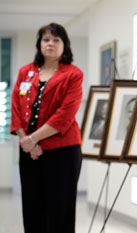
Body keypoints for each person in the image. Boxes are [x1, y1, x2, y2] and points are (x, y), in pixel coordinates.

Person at [10, 23, 83, 233]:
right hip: (29, 152)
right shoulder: (26, 72)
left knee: (59, 210)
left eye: (56, 40)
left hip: (62, 152)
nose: (50, 43)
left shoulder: (73, 74)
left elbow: (65, 115)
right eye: (46, 39)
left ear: (64, 45)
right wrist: (27, 141)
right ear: (39, 44)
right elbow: (15, 108)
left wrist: (32, 139)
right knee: (32, 208)